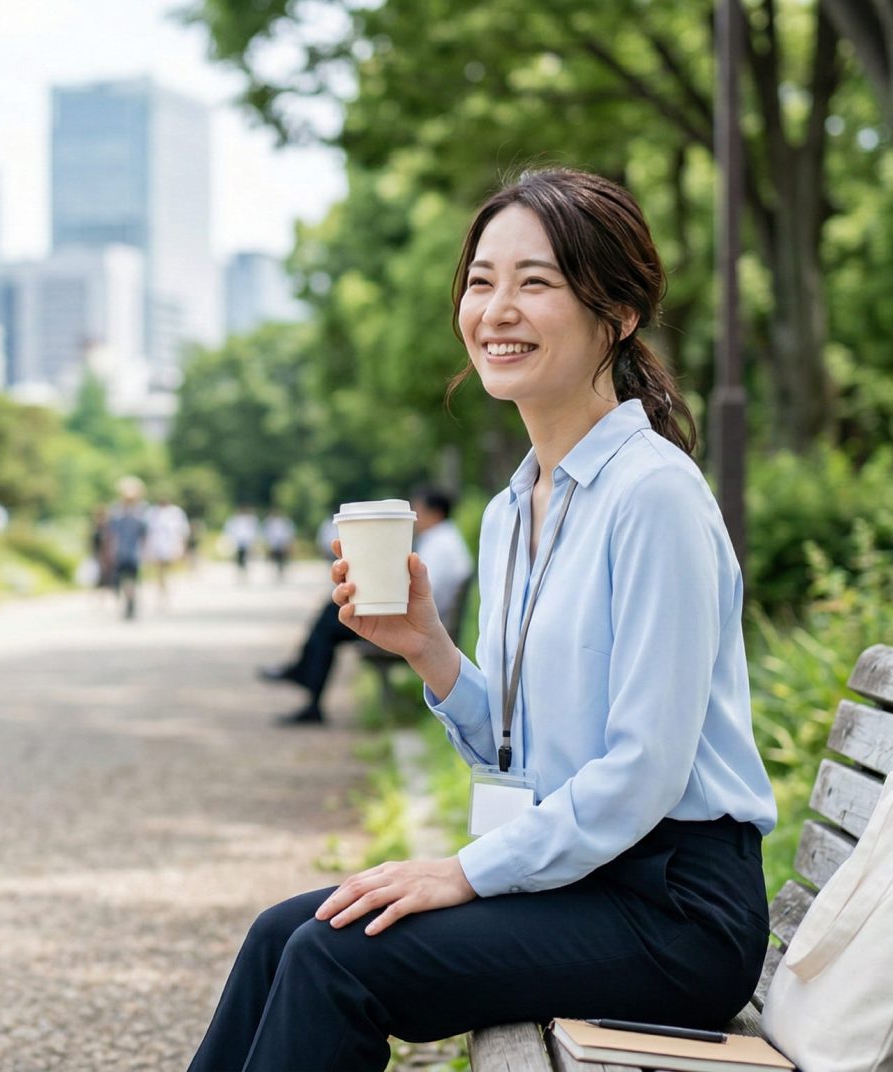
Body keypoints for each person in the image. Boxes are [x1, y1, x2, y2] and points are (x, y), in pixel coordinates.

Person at [189, 168, 777, 1071]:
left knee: (334, 958)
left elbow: (644, 771)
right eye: (480, 282)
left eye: (534, 283)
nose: (496, 309)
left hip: (675, 911)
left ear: (615, 315)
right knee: (283, 934)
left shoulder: (654, 494)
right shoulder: (512, 509)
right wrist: (430, 652)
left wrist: (461, 874)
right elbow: (520, 753)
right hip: (582, 876)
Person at [259, 489, 472, 726]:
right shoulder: (446, 540)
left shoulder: (441, 544)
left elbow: (423, 589)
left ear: (436, 513)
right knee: (332, 614)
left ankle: (305, 682)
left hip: (418, 623)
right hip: (425, 620)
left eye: (420, 510)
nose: (417, 517)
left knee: (331, 620)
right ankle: (304, 679)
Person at [107, 476, 152, 621]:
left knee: (129, 579)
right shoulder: (120, 510)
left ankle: (130, 602)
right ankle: (129, 601)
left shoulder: (138, 510)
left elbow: (144, 534)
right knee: (126, 579)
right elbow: (112, 533)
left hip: (130, 551)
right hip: (125, 551)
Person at [147, 493, 191, 607]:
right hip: (157, 546)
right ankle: (162, 593)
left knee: (170, 570)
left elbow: (182, 531)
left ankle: (168, 590)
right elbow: (148, 532)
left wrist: (182, 547)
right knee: (160, 571)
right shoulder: (152, 512)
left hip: (172, 546)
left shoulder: (176, 512)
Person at [223, 507, 259, 582]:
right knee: (239, 557)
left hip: (246, 541)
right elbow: (230, 530)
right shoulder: (234, 520)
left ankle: (245, 571)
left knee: (246, 557)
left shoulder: (250, 520)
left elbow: (253, 531)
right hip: (238, 541)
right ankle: (240, 571)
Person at [262, 509, 294, 581]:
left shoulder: (284, 521)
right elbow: (266, 532)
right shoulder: (269, 522)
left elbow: (288, 532)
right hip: (273, 542)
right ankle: (275, 571)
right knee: (274, 558)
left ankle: (281, 571)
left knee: (282, 558)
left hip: (282, 542)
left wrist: (288, 542)